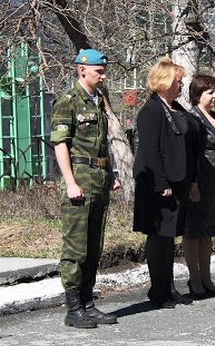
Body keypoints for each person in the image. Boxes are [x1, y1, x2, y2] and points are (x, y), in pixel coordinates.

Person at [50, 48, 121, 328]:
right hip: (79, 179)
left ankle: (88, 303)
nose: (102, 76)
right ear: (82, 70)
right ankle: (73, 308)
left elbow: (103, 142)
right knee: (75, 247)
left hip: (99, 179)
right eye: (98, 71)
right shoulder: (68, 101)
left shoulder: (98, 101)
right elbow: (60, 145)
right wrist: (70, 182)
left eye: (103, 71)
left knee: (94, 246)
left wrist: (111, 172)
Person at [133, 57, 198, 309]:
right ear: (165, 82)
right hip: (157, 184)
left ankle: (169, 287)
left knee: (169, 236)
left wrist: (191, 180)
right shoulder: (151, 110)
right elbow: (150, 150)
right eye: (178, 82)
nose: (181, 86)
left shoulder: (176, 109)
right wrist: (161, 183)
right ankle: (157, 289)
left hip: (178, 180)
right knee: (157, 235)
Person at [183, 75, 215, 299]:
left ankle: (207, 277)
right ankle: (195, 278)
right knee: (194, 232)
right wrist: (193, 184)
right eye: (210, 92)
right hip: (199, 181)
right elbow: (191, 154)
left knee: (208, 232)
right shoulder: (193, 118)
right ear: (197, 94)